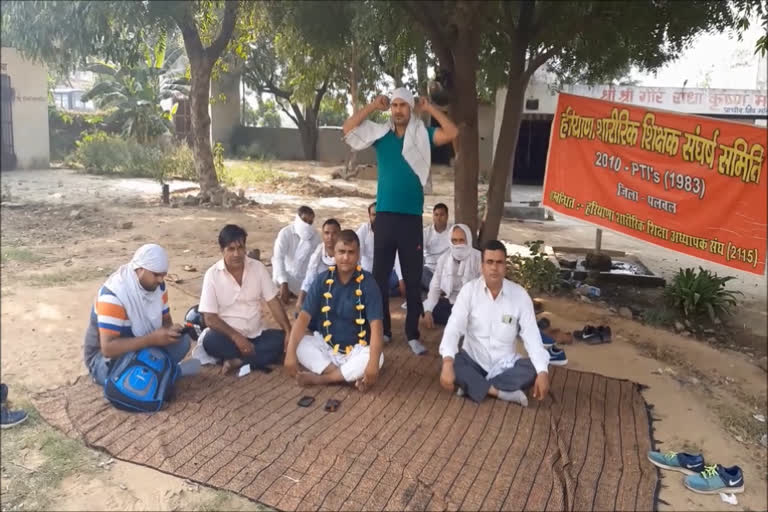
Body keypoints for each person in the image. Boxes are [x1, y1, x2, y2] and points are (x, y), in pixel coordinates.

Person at [343, 88, 458, 355]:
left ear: (410, 108)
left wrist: (429, 108)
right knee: (379, 277)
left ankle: (412, 333)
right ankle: (382, 330)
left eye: (403, 106)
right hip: (384, 217)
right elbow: (348, 129)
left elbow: (452, 133)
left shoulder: (422, 135)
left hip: (411, 219)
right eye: (393, 105)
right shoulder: (380, 135)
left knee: (413, 276)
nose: (397, 110)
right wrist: (372, 105)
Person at [438, 240, 551, 406]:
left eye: (499, 262)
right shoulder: (469, 291)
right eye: (489, 262)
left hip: (505, 366)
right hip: (474, 360)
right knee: (450, 362)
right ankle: (500, 392)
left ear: (506, 266)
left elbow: (532, 335)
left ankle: (472, 386)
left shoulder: (520, 295)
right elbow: (454, 327)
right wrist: (447, 363)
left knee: (534, 369)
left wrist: (542, 372)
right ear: (481, 265)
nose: (494, 267)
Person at [285, 230, 384, 391]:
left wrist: (372, 364)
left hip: (356, 351)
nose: (345, 257)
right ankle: (346, 378)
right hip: (326, 348)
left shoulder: (368, 283)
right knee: (299, 344)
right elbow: (303, 318)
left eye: (351, 252)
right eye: (341, 252)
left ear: (358, 255)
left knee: (376, 358)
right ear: (334, 253)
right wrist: (290, 353)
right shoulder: (322, 280)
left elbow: (376, 326)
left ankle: (322, 379)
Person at [83, 244, 194, 387]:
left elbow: (166, 322)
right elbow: (108, 349)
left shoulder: (158, 287)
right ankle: (161, 371)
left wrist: (171, 331)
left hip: (142, 348)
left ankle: (154, 372)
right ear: (140, 268)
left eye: (163, 275)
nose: (161, 280)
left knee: (182, 342)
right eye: (156, 275)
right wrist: (151, 340)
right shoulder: (114, 295)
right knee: (123, 369)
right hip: (106, 360)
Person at [199, 225, 293, 374]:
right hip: (228, 337)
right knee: (209, 341)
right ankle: (256, 358)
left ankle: (237, 361)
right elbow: (209, 318)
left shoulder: (258, 268)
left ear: (245, 247)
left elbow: (273, 302)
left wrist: (288, 331)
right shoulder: (212, 275)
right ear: (222, 250)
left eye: (240, 247)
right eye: (231, 249)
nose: (237, 254)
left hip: (256, 335)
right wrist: (236, 337)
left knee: (284, 340)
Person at [422, 224, 481, 328]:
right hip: (451, 301)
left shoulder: (478, 258)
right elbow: (435, 286)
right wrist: (428, 310)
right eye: (454, 240)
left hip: (472, 304)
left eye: (461, 240)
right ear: (450, 241)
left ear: (468, 240)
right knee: (427, 310)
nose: (458, 244)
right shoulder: (444, 259)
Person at [272, 206, 321, 304]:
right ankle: (286, 289)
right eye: (304, 220)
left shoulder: (315, 237)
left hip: (303, 279)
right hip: (286, 275)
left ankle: (294, 293)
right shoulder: (285, 233)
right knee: (277, 277)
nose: (307, 224)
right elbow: (278, 258)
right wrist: (284, 282)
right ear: (298, 219)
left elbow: (315, 264)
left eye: (310, 222)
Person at [356, 202, 405, 301]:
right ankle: (382, 291)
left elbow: (397, 256)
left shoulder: (392, 231)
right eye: (374, 215)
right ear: (369, 216)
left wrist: (401, 279)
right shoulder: (364, 230)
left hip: (389, 274)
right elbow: (357, 254)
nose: (377, 218)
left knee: (407, 275)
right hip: (368, 273)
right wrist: (358, 277)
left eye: (380, 215)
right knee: (371, 284)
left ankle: (378, 290)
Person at [297, 218, 341, 309]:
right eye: (327, 233)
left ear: (340, 235)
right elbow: (308, 281)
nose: (330, 237)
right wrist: (300, 301)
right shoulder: (317, 255)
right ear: (322, 235)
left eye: (334, 233)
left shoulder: (345, 254)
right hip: (321, 297)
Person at [422, 203, 452, 290]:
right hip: (430, 270)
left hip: (448, 271)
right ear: (433, 216)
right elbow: (418, 252)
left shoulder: (453, 231)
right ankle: (439, 291)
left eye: (442, 215)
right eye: (436, 215)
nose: (439, 218)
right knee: (420, 272)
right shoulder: (426, 232)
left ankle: (437, 291)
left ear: (447, 216)